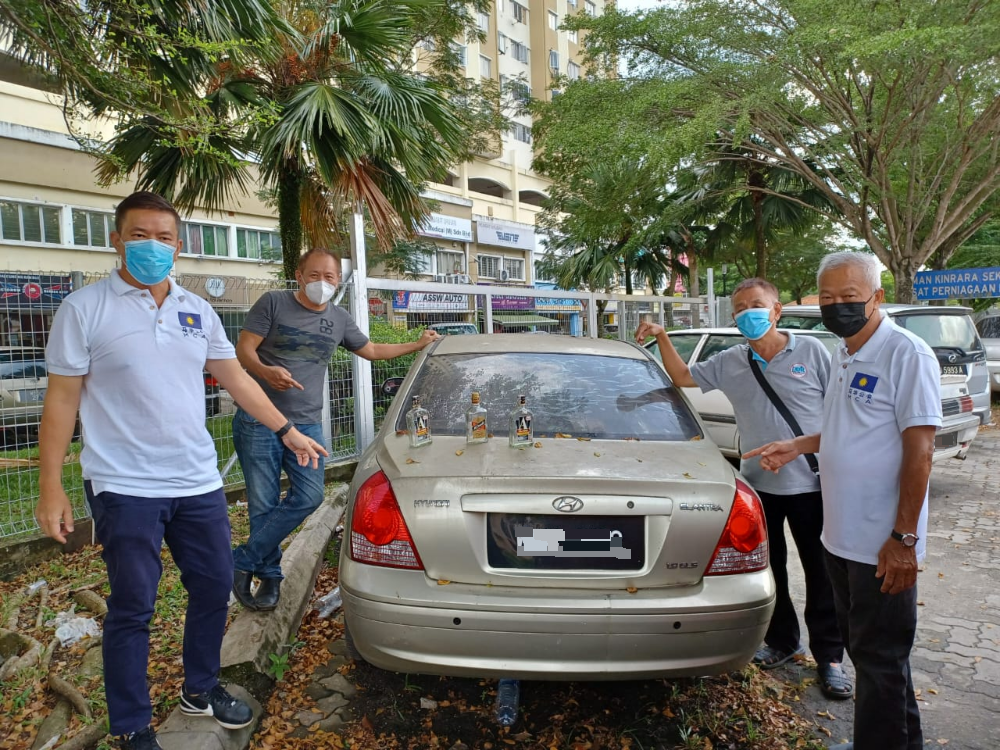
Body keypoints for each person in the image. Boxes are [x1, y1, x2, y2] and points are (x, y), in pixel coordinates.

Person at [35, 191, 328, 750]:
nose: (152, 246)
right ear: (116, 240)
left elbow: (237, 380)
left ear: (179, 245)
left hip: (197, 481)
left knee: (214, 587)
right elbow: (61, 403)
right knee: (134, 605)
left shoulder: (196, 309)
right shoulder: (84, 309)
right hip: (124, 485)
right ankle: (131, 726)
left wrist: (286, 430)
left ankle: (200, 687)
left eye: (164, 237)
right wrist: (52, 488)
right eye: (139, 235)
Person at [746, 252, 940, 750]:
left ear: (876, 296)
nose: (837, 307)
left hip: (884, 544)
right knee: (871, 657)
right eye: (827, 298)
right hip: (841, 538)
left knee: (880, 659)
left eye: (850, 298)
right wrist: (797, 445)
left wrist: (903, 539)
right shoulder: (845, 353)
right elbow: (840, 429)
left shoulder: (905, 354)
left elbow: (920, 454)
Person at [636, 278, 850, 699]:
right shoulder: (731, 361)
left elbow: (840, 415)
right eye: (739, 308)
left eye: (756, 304)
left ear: (776, 310)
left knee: (823, 574)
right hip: (760, 486)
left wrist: (808, 451)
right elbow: (680, 376)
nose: (747, 313)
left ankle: (831, 658)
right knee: (771, 570)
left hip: (814, 483)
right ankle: (784, 642)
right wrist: (661, 335)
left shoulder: (812, 352)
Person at [230, 247, 440, 611]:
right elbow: (244, 350)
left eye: (330, 278)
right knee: (263, 503)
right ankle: (270, 577)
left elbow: (371, 350)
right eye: (315, 275)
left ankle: (243, 559)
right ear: (299, 276)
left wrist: (418, 344)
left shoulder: (339, 318)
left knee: (309, 496)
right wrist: (265, 371)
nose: (322, 283)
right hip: (258, 419)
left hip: (307, 422)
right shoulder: (273, 303)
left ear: (337, 281)